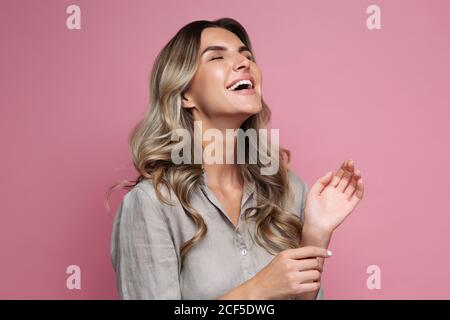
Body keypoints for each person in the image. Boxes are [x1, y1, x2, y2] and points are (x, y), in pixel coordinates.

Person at [108, 17, 364, 300]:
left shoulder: (289, 190)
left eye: (247, 56)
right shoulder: (152, 204)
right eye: (217, 57)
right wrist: (257, 290)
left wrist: (315, 233)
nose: (245, 64)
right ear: (184, 95)